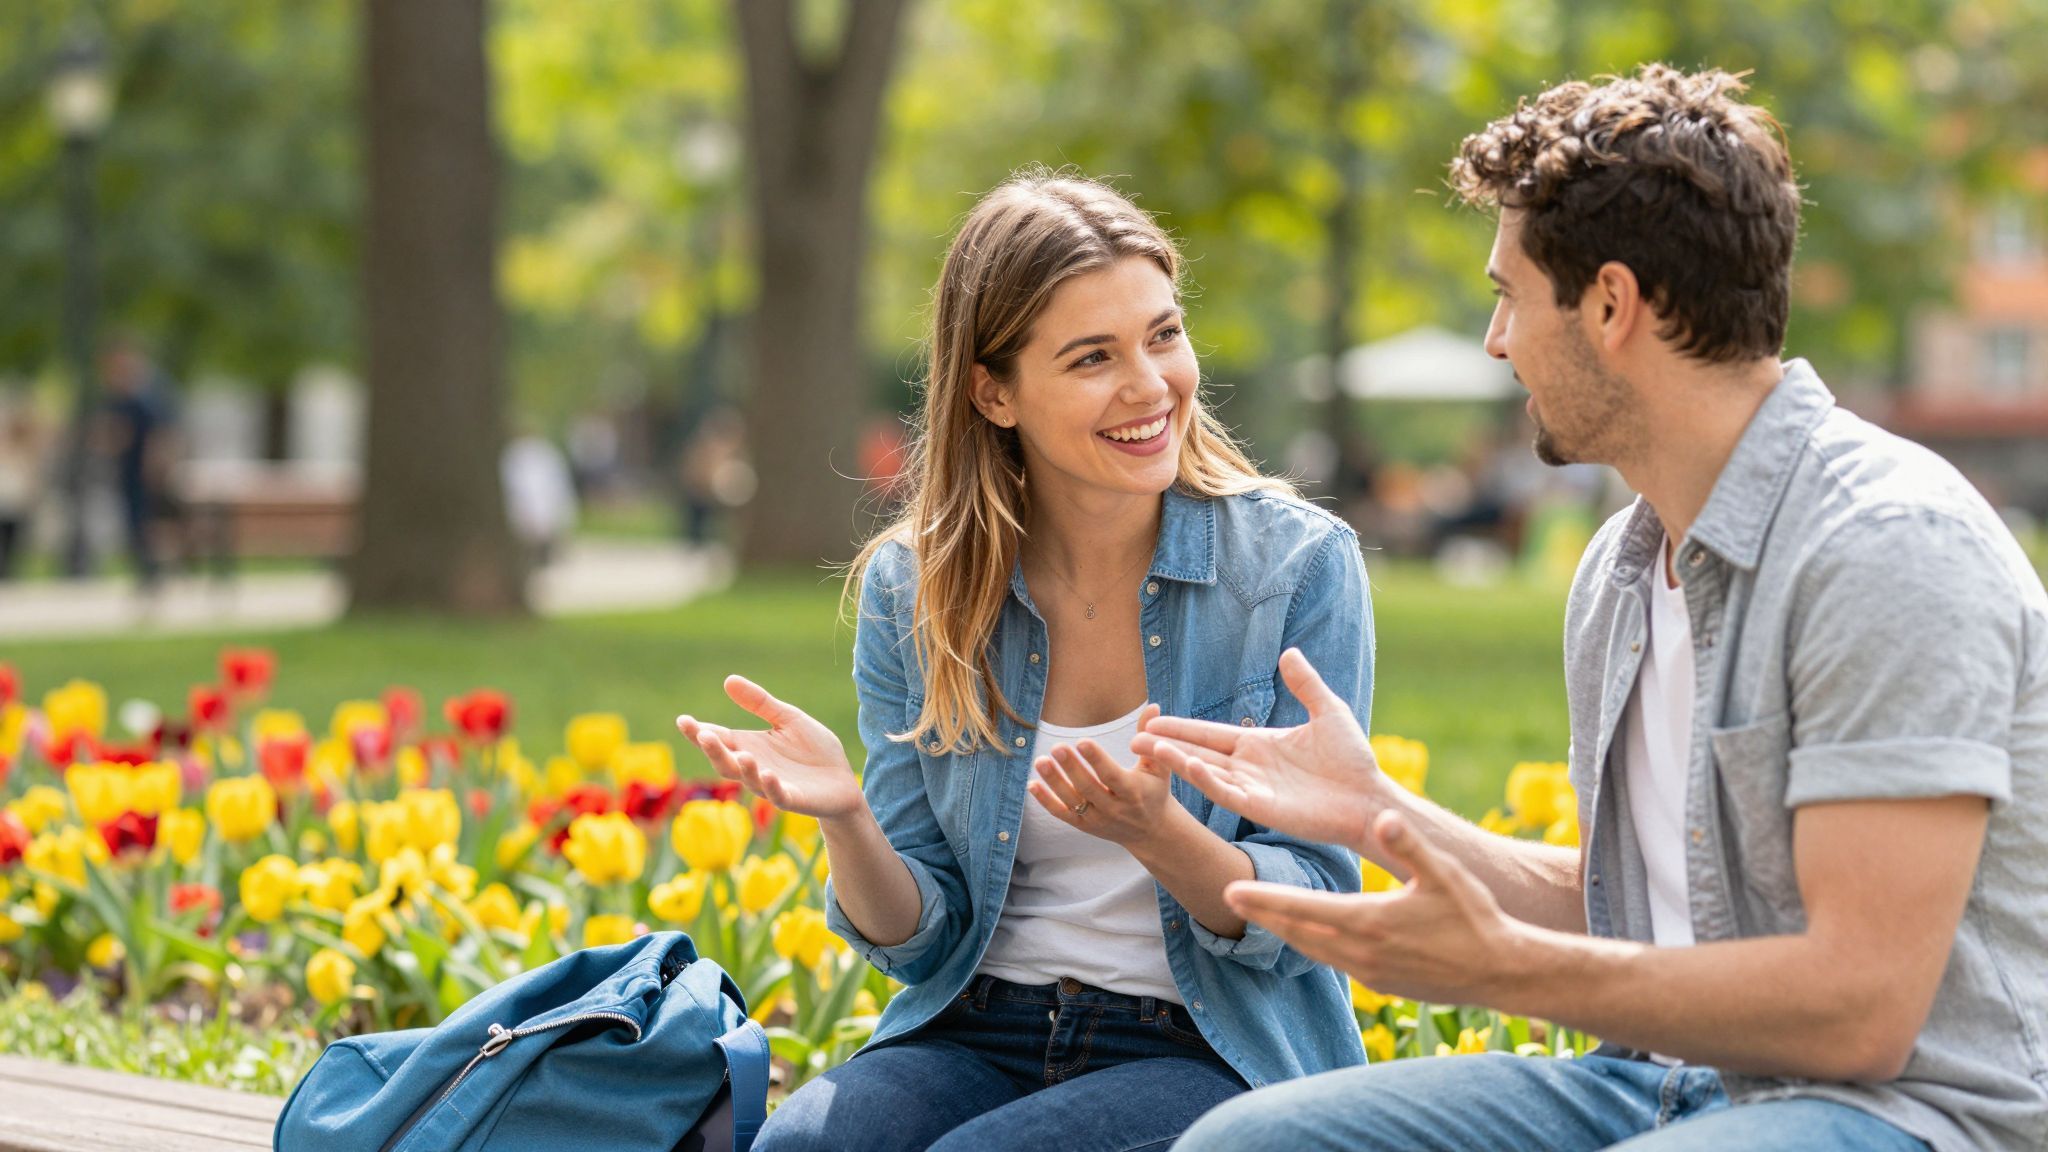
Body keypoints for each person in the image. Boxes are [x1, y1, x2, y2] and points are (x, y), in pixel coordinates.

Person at [1154, 65, 2046, 1152]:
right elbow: (1624, 904)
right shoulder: (1620, 571)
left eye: (1507, 296)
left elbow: (1858, 1007)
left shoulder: (1884, 549)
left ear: (1611, 306)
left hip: (1904, 1112)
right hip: (1653, 1088)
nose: (1496, 342)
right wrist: (1374, 813)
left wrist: (1503, 970)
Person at [673, 172, 1373, 1152]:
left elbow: (1314, 905)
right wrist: (845, 819)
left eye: (1162, 336)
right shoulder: (916, 587)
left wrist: (1159, 834)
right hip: (977, 1024)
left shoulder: (1293, 568)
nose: (1149, 386)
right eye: (1092, 358)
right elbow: (921, 938)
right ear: (992, 392)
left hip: (1209, 1050)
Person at [98, 336, 179, 590]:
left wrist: (155, 466)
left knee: (148, 522)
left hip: (145, 473)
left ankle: (155, 572)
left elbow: (162, 434)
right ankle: (148, 572)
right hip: (129, 470)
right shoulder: (122, 395)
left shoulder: (148, 394)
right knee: (136, 522)